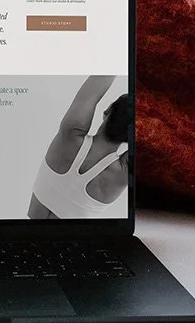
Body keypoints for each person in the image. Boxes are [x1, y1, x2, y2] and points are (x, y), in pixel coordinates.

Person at [28, 75, 129, 219]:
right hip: (73, 236)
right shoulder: (121, 174)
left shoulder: (70, 134)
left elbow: (101, 77)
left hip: (28, 231)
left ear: (107, 110)